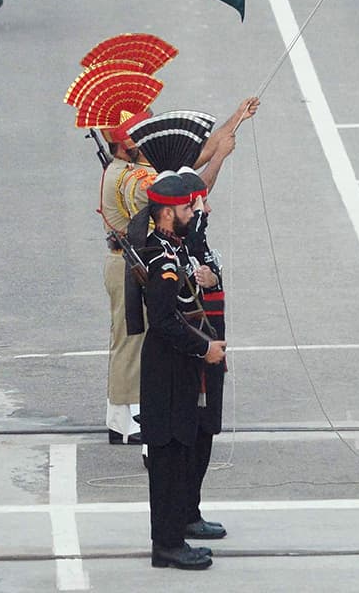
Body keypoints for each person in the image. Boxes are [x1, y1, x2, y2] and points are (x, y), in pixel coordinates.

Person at [131, 171, 225, 570]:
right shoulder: (162, 259)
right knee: (167, 459)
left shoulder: (172, 249)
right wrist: (204, 347)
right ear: (168, 213)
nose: (194, 212)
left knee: (177, 451)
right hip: (167, 369)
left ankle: (171, 538)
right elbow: (165, 321)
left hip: (175, 368)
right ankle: (167, 544)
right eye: (188, 207)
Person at [99, 113, 155, 445]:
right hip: (128, 263)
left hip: (124, 262)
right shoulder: (132, 180)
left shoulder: (126, 171)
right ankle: (128, 419)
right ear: (126, 144)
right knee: (132, 341)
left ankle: (120, 417)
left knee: (129, 339)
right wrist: (217, 153)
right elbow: (177, 188)